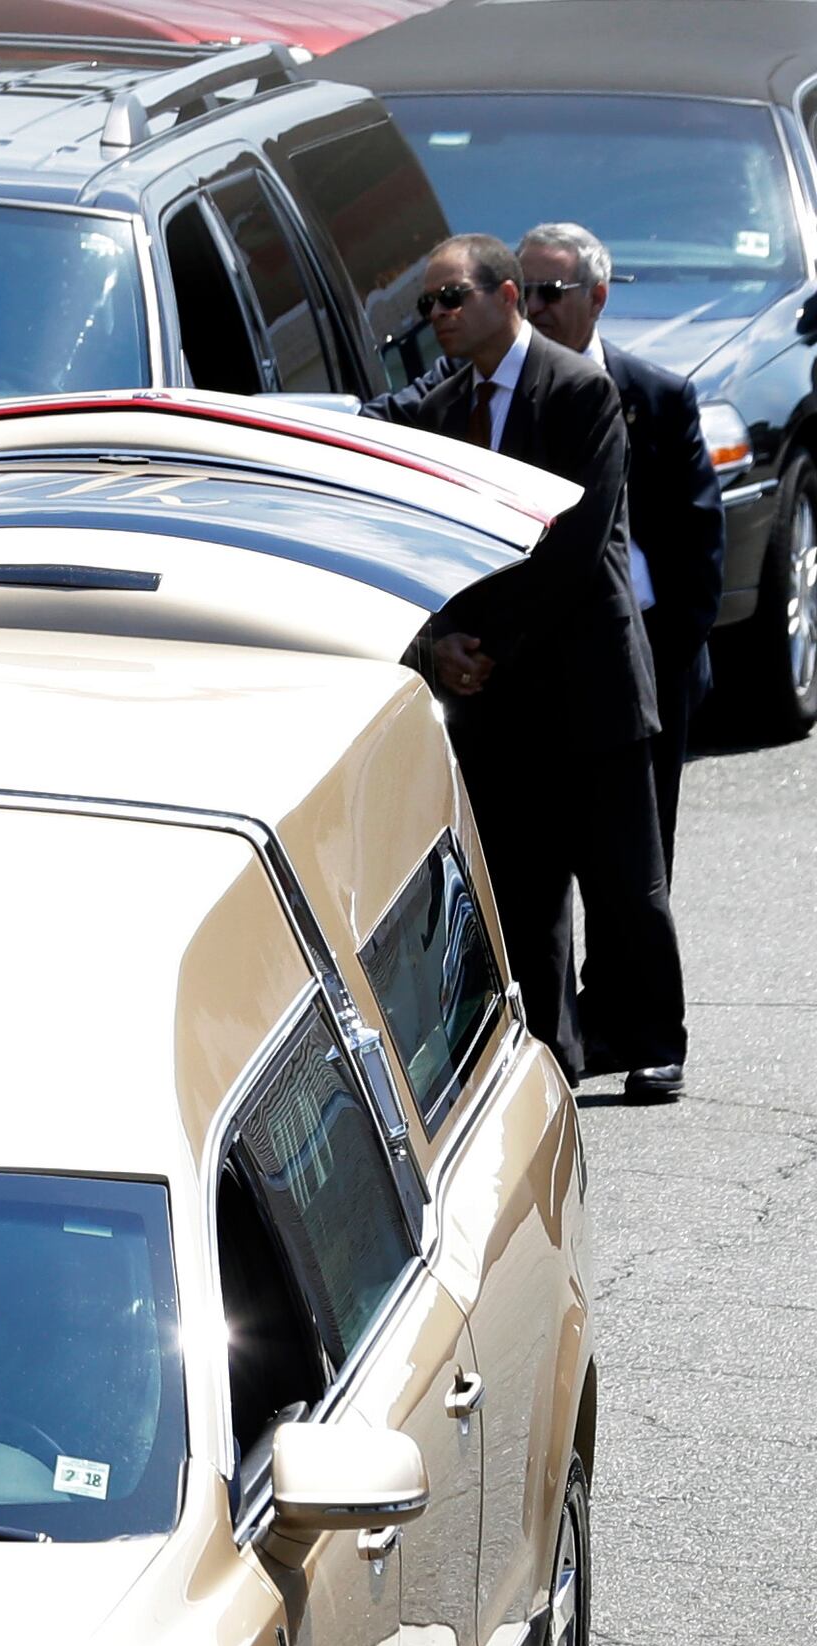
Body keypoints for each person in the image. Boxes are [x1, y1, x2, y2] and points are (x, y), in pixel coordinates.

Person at [369, 233, 687, 1103]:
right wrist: (442, 650)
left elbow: (568, 551)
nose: (434, 318)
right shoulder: (447, 398)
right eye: (428, 305)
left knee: (626, 884)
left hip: (588, 687)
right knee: (523, 893)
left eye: (449, 300)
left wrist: (484, 647)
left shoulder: (580, 390)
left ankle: (656, 1037)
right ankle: (550, 1056)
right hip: (501, 705)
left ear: (504, 296)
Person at [522, 222, 723, 879]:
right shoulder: (496, 397)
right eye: (522, 291)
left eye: (551, 290)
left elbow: (699, 539)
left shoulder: (660, 397)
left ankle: (628, 986)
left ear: (598, 297)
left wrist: (670, 653)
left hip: (648, 656)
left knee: (638, 869)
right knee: (539, 861)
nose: (535, 307)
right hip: (536, 656)